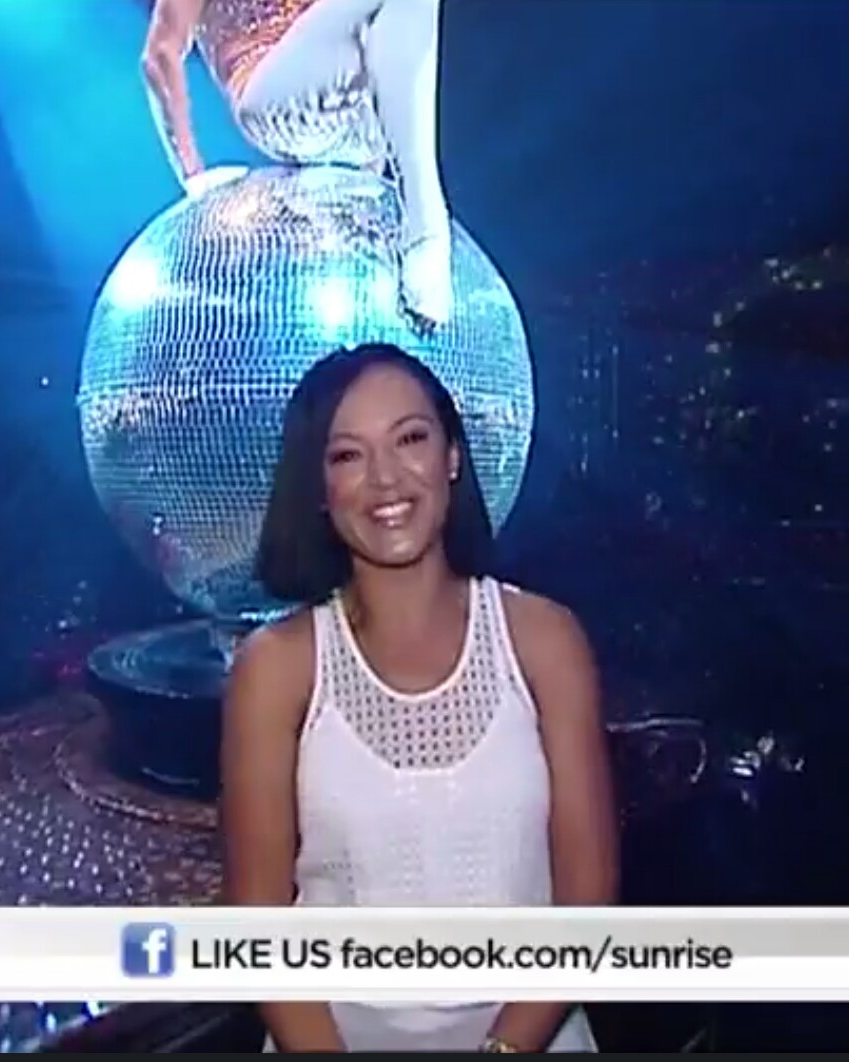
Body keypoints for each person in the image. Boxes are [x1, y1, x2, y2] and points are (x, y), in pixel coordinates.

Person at [221, 344, 618, 1052]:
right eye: (348, 455)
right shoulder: (276, 668)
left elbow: (586, 896)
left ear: (452, 457)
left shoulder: (544, 641)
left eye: (410, 439)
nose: (385, 478)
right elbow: (259, 921)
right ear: (317, 487)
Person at [141, 0, 455, 326]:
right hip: (267, 99)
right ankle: (426, 235)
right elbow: (160, 55)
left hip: (354, 123)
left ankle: (420, 239)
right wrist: (193, 175)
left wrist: (366, 179)